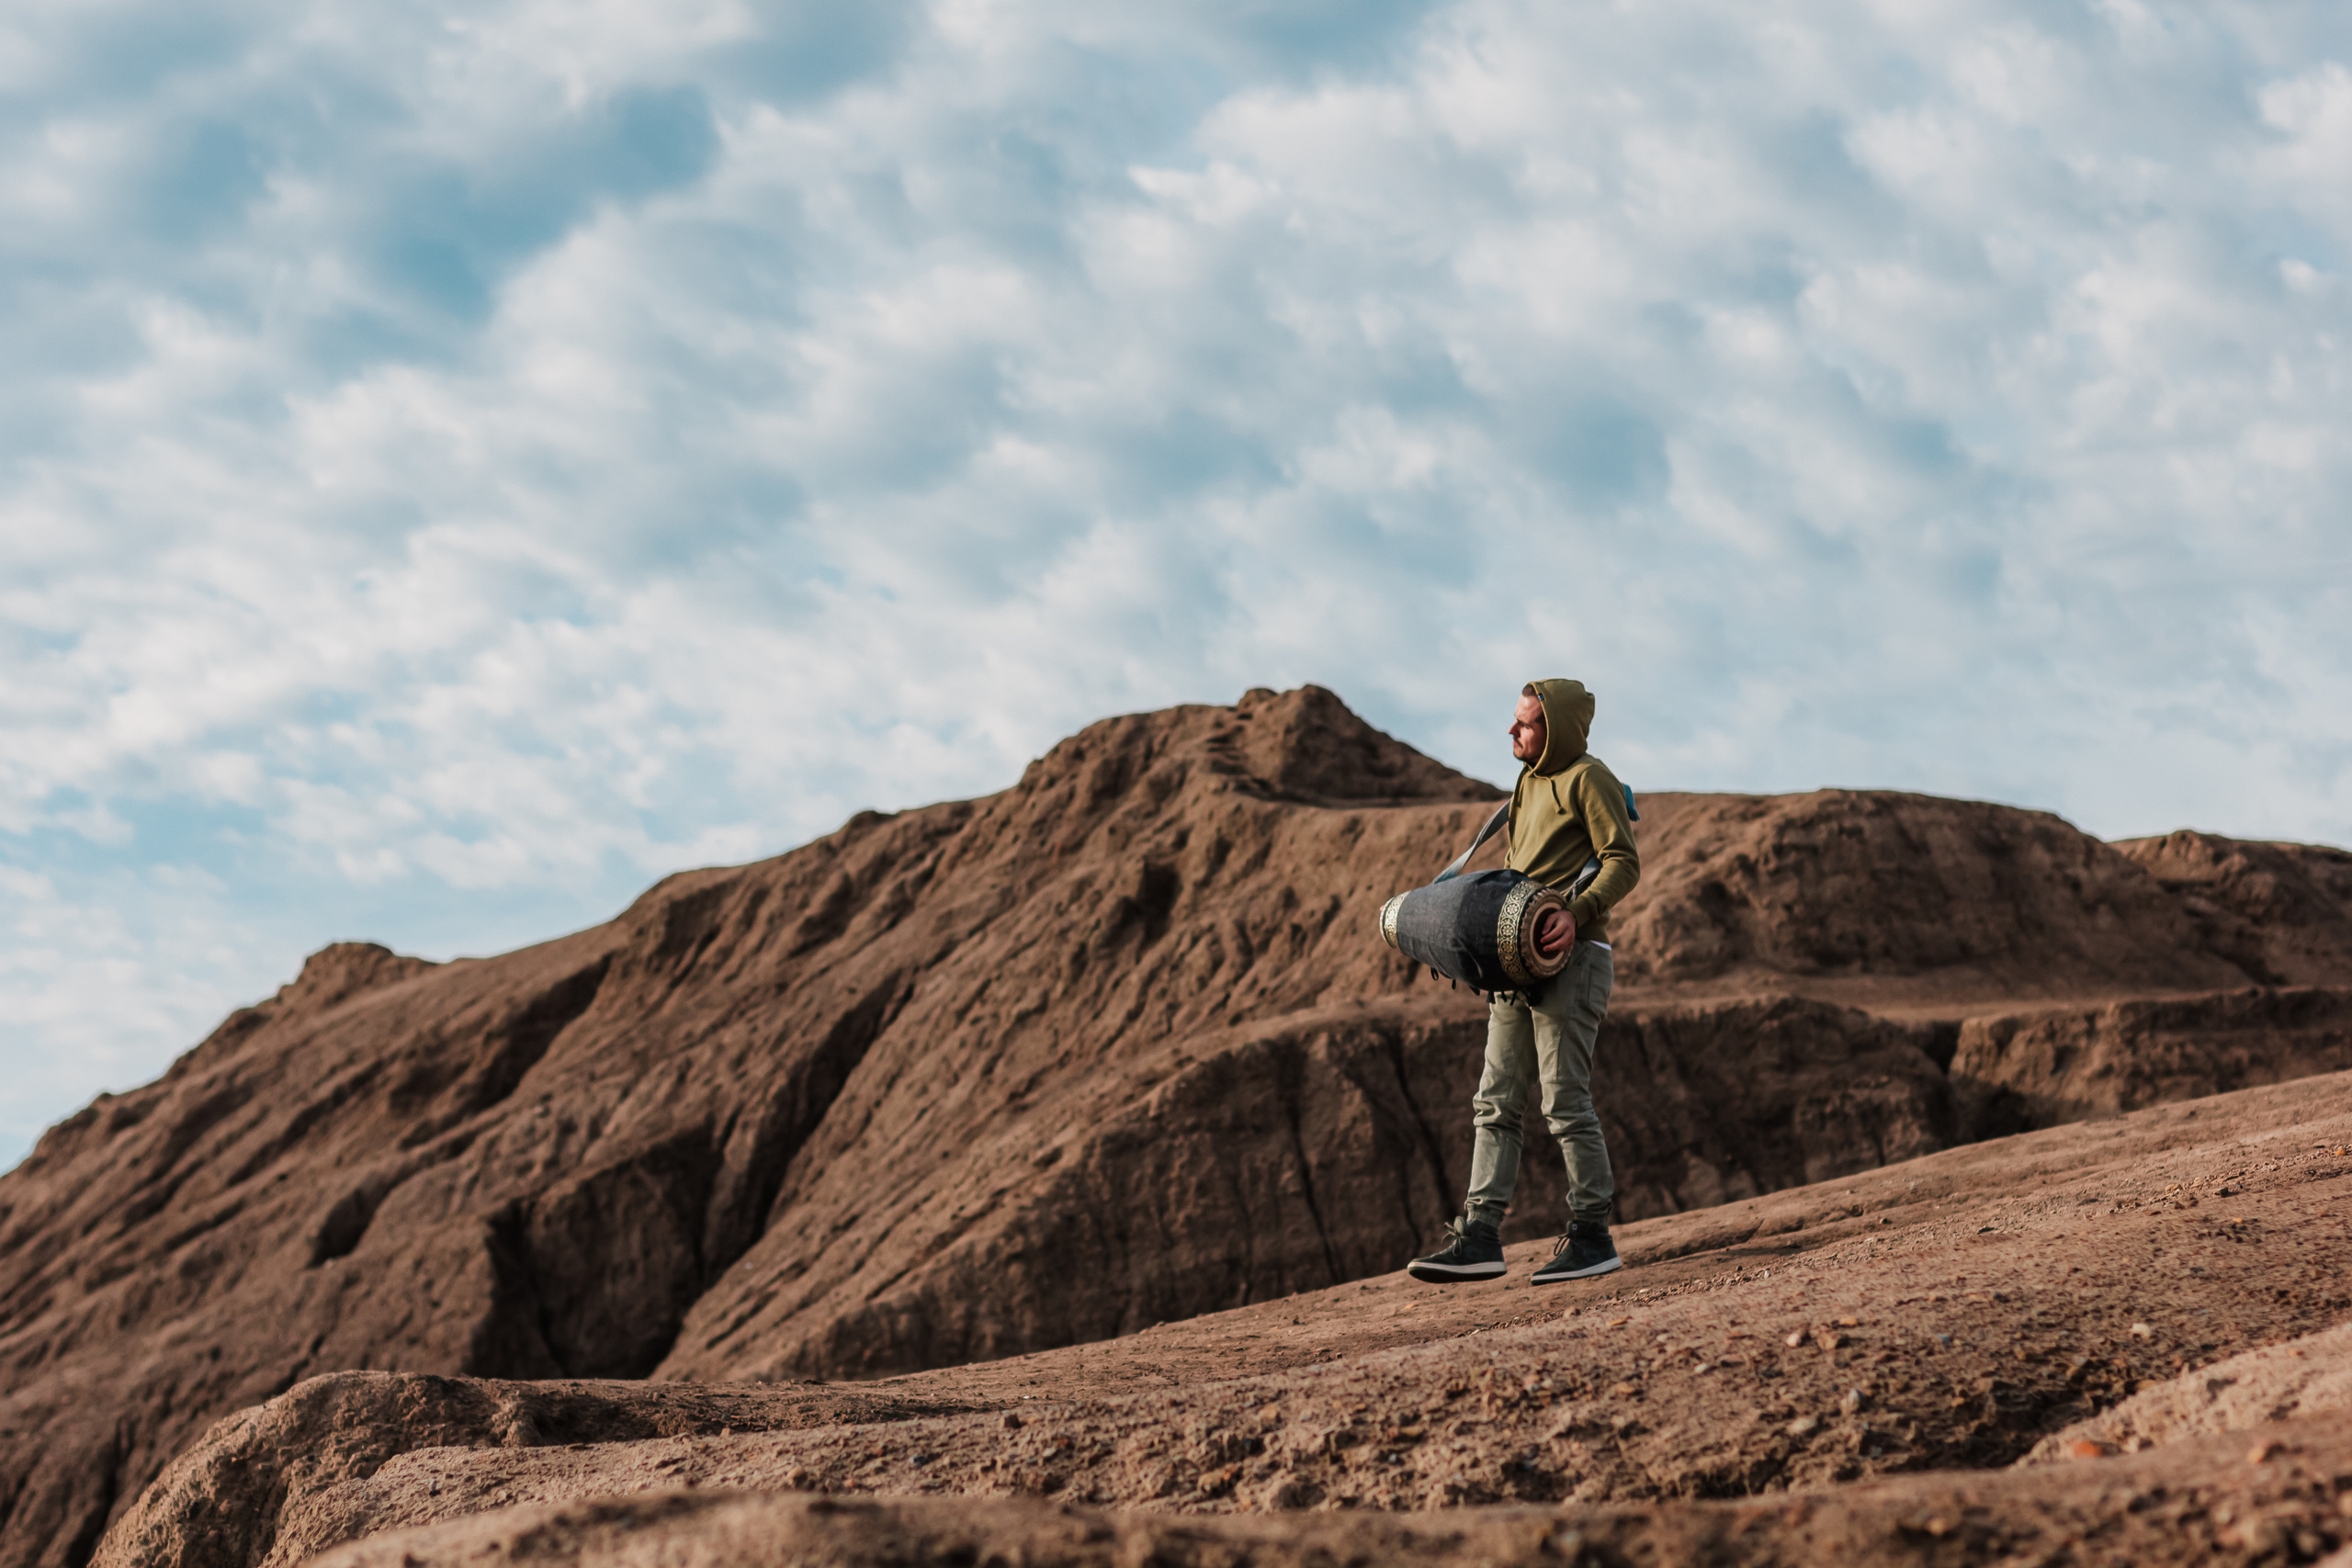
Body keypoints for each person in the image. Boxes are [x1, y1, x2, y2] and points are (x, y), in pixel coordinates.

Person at [1407, 678, 1641, 1285]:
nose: (1512, 731)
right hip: (1518, 963)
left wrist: (1575, 912)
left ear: (1555, 728)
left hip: (1576, 957)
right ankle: (1479, 1234)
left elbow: (1622, 858)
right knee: (1495, 1100)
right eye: (1514, 721)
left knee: (1565, 1101)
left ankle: (1592, 1234)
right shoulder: (1527, 781)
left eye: (1526, 723)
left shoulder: (1590, 778)